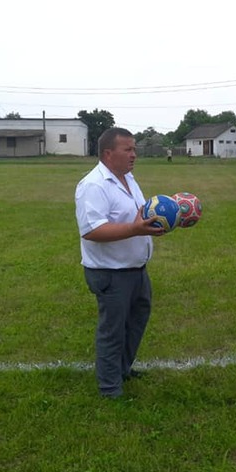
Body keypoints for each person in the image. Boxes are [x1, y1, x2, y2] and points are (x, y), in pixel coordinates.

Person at [75, 128, 165, 398]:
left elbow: (137, 215)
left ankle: (122, 370)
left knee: (135, 323)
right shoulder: (93, 185)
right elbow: (92, 230)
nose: (134, 155)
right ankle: (109, 387)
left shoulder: (128, 178)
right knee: (113, 331)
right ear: (108, 153)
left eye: (134, 149)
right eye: (128, 150)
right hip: (110, 273)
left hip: (135, 269)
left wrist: (162, 217)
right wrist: (136, 230)